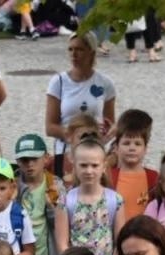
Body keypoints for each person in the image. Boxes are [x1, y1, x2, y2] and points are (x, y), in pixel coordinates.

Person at [44, 34, 115, 179]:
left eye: (79, 49)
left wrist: (100, 137)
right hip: (66, 152)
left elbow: (110, 123)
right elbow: (50, 127)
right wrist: (76, 135)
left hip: (94, 153)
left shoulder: (105, 83)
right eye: (70, 50)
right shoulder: (58, 82)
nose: (73, 54)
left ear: (91, 52)